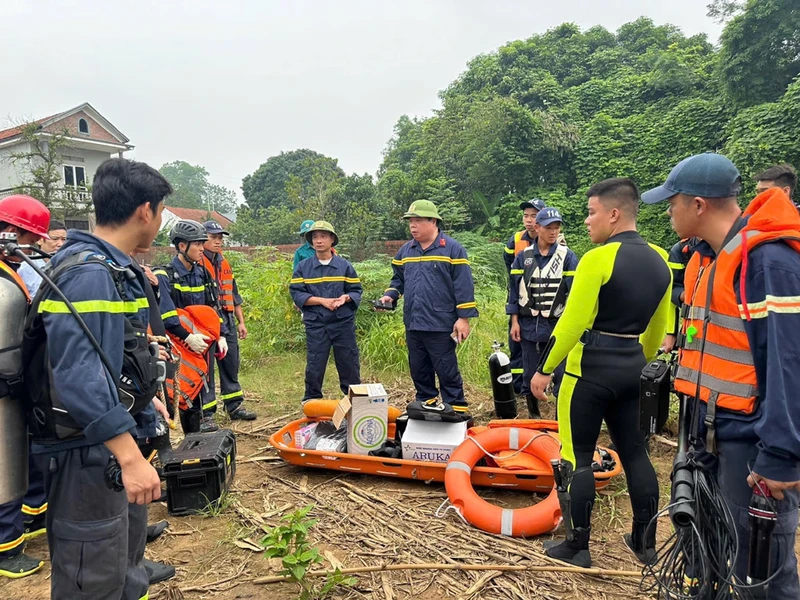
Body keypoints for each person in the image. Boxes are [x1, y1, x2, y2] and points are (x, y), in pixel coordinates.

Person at [643, 152, 800, 598]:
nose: (668, 212)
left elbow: (789, 361)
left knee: (761, 574)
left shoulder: (768, 262)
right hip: (709, 435)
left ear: (698, 205)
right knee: (712, 553)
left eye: (672, 203)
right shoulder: (706, 259)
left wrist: (780, 456)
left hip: (751, 446)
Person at [28, 158, 169, 600]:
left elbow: (116, 355)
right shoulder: (90, 274)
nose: (160, 222)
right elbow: (79, 377)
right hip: (87, 447)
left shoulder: (111, 266)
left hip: (109, 435)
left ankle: (132, 580)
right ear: (145, 211)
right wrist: (129, 456)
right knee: (91, 566)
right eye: (161, 211)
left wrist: (146, 402)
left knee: (121, 538)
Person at [530, 178, 672, 568]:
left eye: (592, 213)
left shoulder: (596, 258)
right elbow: (658, 329)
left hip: (587, 371)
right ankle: (644, 543)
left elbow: (571, 325)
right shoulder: (662, 260)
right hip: (633, 367)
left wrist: (543, 370)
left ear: (614, 213)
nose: (588, 222)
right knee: (637, 453)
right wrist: (634, 364)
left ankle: (577, 546)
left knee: (576, 456)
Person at [379, 200, 478, 410]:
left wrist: (463, 318)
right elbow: (398, 280)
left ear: (433, 221)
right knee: (419, 368)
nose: (413, 226)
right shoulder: (406, 251)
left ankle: (455, 409)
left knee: (446, 368)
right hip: (414, 321)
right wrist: (390, 295)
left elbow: (463, 286)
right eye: (410, 222)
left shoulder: (452, 249)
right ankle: (426, 403)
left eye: (418, 221)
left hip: (441, 323)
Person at [0, 195, 50, 578]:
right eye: (31, 238)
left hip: (15, 383)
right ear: (10, 233)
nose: (34, 247)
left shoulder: (9, 270)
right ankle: (6, 549)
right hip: (3, 386)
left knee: (24, 458)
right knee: (4, 466)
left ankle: (31, 518)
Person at [154, 220, 227, 434]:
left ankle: (196, 436)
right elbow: (166, 315)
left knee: (199, 387)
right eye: (197, 244)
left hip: (201, 343)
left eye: (202, 243)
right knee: (178, 390)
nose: (201, 249)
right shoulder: (164, 275)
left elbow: (212, 308)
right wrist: (187, 338)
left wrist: (219, 335)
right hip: (177, 344)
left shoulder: (202, 273)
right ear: (182, 246)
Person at [508, 207, 578, 418]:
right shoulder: (523, 257)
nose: (553, 232)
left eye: (556, 228)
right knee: (529, 369)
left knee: (560, 371)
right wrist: (514, 321)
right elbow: (513, 290)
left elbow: (574, 292)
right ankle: (533, 414)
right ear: (537, 228)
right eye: (548, 227)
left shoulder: (567, 256)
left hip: (557, 322)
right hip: (529, 322)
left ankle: (560, 416)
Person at [290, 221, 362, 402]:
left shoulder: (344, 266)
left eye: (323, 236)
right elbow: (297, 292)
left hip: (342, 322)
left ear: (332, 240)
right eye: (315, 237)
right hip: (316, 322)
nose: (318, 241)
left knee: (349, 362)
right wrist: (322, 301)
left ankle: (354, 400)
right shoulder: (303, 267)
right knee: (315, 362)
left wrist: (345, 298)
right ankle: (312, 400)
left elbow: (356, 290)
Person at [201, 220, 256, 422]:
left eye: (220, 238)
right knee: (205, 367)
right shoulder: (197, 264)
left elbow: (234, 294)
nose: (218, 242)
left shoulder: (223, 262)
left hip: (227, 317)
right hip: (206, 321)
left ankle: (234, 406)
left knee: (230, 362)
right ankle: (206, 413)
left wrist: (241, 322)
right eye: (213, 237)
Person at [504, 198, 546, 395]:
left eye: (534, 216)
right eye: (526, 216)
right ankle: (519, 388)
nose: (529, 220)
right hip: (520, 301)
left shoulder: (552, 239)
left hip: (544, 304)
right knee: (517, 344)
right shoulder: (515, 240)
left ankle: (543, 385)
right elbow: (510, 268)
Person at [17, 219, 67, 297]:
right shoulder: (25, 269)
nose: (60, 244)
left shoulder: (70, 267)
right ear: (39, 240)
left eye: (64, 239)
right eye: (55, 239)